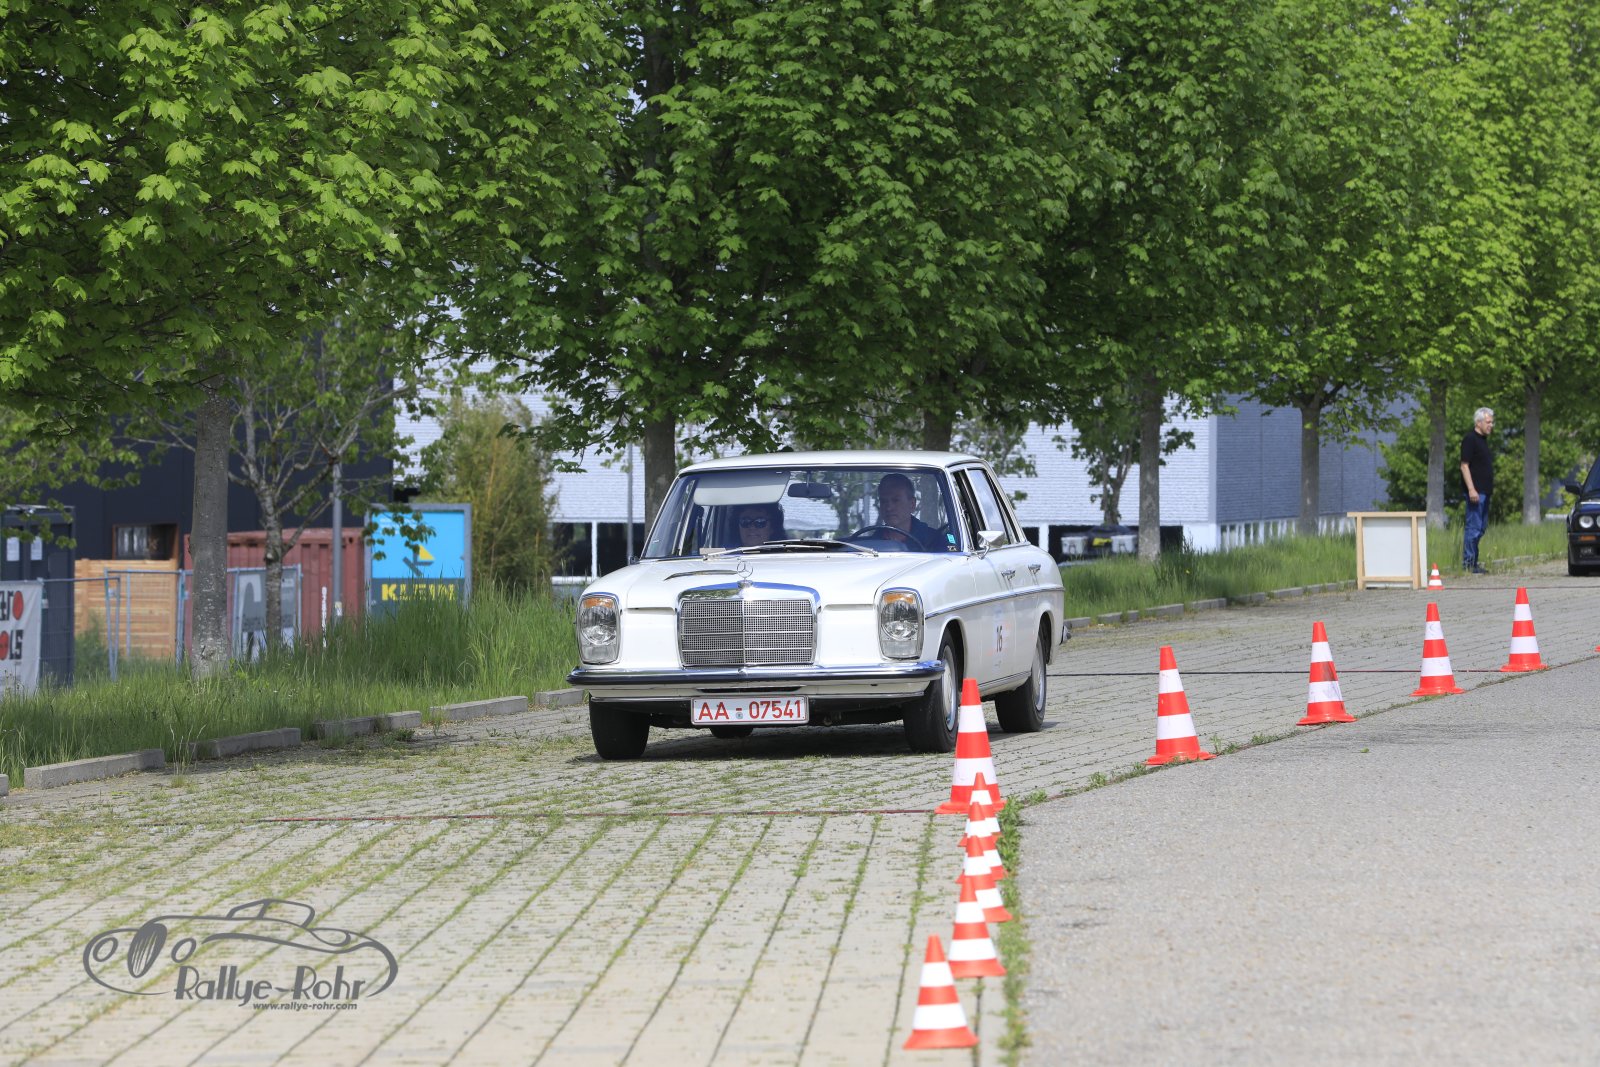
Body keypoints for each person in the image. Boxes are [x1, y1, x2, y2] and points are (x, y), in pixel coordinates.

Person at [874, 473, 952, 551]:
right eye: (883, 501)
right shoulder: (871, 543)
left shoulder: (935, 541)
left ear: (912, 504)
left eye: (896, 500)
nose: (889, 508)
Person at [1459, 406, 1494, 574]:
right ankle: (1469, 564)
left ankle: (1474, 562)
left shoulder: (1483, 441)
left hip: (1485, 492)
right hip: (1476, 492)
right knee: (1473, 527)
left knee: (1481, 528)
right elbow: (1464, 466)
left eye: (1492, 422)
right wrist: (1471, 489)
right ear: (1478, 422)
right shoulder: (1470, 439)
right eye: (1488, 422)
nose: (1491, 425)